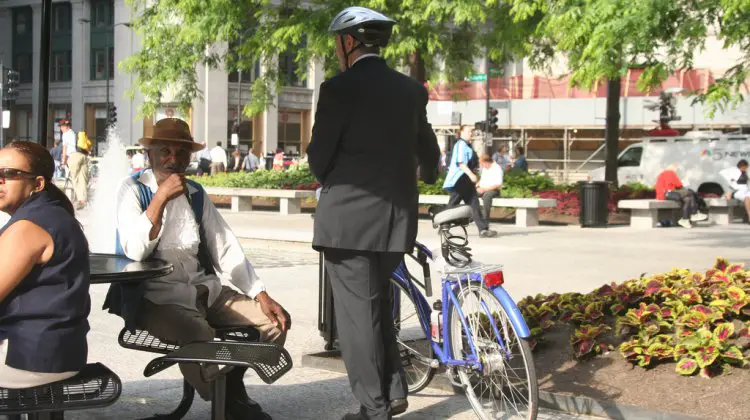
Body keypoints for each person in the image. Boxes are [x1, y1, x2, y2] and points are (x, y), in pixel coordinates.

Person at [107, 118, 289, 420]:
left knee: (273, 323)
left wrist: (260, 293)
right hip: (156, 298)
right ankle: (225, 399)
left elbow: (224, 245)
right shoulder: (132, 189)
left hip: (204, 289)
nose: (173, 160)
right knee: (197, 333)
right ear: (149, 153)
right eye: (165, 151)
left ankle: (230, 388)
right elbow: (135, 249)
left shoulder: (195, 193)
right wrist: (161, 197)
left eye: (181, 153)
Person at [307, 7, 440, 420]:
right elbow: (430, 154)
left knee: (356, 319)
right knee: (376, 306)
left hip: (348, 225)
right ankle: (394, 391)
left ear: (348, 42)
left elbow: (318, 159)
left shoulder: (338, 89)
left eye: (337, 43)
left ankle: (374, 408)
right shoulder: (411, 90)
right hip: (395, 222)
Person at [0, 141, 90, 389]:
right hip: (59, 353)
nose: (0, 180)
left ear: (37, 184)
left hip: (28, 358)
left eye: (9, 174)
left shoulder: (29, 227)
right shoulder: (53, 214)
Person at [444, 125, 498, 238]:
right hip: (460, 178)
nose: (471, 133)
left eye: (471, 132)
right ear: (461, 132)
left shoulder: (467, 146)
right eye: (468, 131)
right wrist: (471, 175)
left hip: (465, 179)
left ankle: (483, 230)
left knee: (474, 204)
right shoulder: (460, 144)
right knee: (454, 203)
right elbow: (460, 163)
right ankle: (444, 227)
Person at [655, 164, 708, 228]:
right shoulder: (670, 173)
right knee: (690, 192)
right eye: (676, 170)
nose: (676, 172)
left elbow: (670, 185)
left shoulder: (662, 174)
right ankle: (694, 214)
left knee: (688, 199)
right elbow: (679, 185)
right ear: (674, 169)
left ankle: (685, 220)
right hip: (668, 193)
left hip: (664, 195)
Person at [68, 130, 91, 210]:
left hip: (73, 156)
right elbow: (86, 148)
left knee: (76, 180)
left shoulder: (77, 138)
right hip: (81, 156)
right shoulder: (83, 139)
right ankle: (82, 201)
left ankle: (80, 200)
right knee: (82, 179)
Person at [477, 154, 504, 220]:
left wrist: (484, 189)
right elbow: (482, 179)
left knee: (486, 196)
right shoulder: (485, 168)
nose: (481, 165)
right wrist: (476, 186)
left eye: (482, 164)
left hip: (493, 190)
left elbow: (498, 184)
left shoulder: (497, 168)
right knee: (471, 194)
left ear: (486, 162)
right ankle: (474, 215)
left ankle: (485, 218)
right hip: (482, 189)